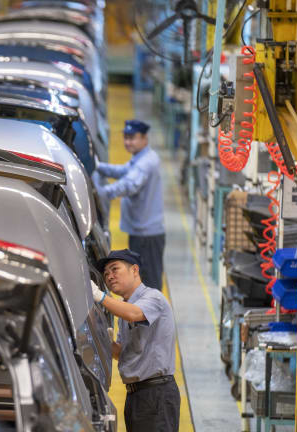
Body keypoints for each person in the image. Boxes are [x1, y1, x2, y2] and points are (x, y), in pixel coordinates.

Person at [91, 249, 179, 432]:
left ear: (134, 270)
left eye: (115, 269)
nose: (109, 276)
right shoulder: (124, 311)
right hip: (136, 395)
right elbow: (122, 353)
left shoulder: (152, 298)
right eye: (106, 274)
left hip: (157, 395)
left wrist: (101, 297)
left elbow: (134, 314)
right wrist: (104, 340)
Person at [94, 119, 165, 289]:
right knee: (142, 279)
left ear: (144, 138)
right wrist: (98, 166)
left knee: (149, 282)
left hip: (146, 235)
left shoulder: (145, 163)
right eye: (126, 138)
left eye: (132, 138)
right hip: (141, 231)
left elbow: (129, 184)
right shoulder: (142, 158)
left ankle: (151, 315)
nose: (127, 142)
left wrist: (102, 193)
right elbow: (123, 171)